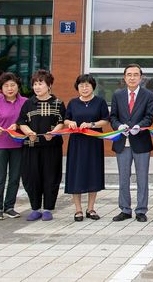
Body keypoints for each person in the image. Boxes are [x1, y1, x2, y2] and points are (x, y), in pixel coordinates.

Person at [17, 69, 66, 221]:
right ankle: (35, 208)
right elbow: (21, 122)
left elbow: (61, 122)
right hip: (31, 147)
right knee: (32, 177)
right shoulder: (28, 103)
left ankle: (48, 209)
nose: (37, 87)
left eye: (41, 83)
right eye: (35, 84)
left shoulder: (58, 103)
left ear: (49, 85)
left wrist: (53, 133)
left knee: (51, 177)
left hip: (52, 147)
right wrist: (29, 131)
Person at [110, 64, 153, 223]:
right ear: (124, 77)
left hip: (140, 141)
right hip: (122, 141)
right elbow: (113, 117)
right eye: (129, 74)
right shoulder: (117, 95)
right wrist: (118, 126)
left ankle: (141, 210)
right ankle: (125, 209)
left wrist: (139, 126)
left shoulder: (148, 95)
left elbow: (149, 116)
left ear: (141, 78)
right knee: (123, 177)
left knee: (142, 177)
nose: (132, 77)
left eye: (136, 75)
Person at [64, 74, 109, 222]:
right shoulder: (73, 103)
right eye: (81, 85)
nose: (84, 88)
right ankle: (78, 210)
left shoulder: (100, 102)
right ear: (77, 87)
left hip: (94, 142)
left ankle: (91, 208)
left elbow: (105, 120)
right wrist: (70, 123)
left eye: (87, 85)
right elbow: (66, 118)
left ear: (93, 87)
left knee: (93, 172)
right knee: (76, 173)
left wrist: (91, 125)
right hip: (77, 143)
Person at [0, 72, 27, 220]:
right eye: (6, 85)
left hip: (18, 144)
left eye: (13, 85)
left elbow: (28, 121)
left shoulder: (25, 102)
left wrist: (19, 125)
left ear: (18, 86)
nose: (10, 88)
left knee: (15, 177)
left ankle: (9, 207)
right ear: (1, 88)